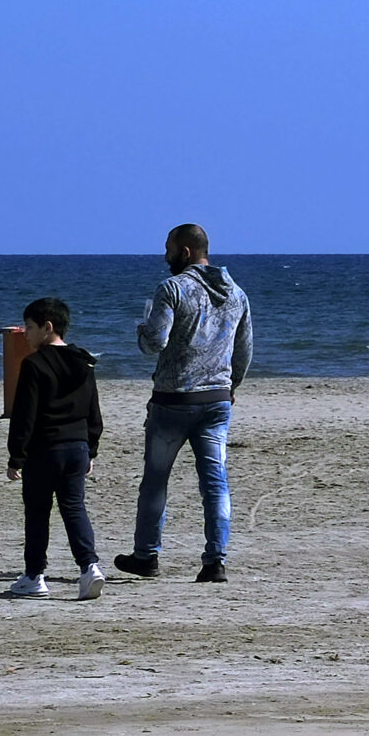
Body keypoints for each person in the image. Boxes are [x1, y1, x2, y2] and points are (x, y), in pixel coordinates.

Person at [115, 223, 253, 583]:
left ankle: (147, 555)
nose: (165, 256)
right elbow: (244, 349)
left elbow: (155, 343)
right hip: (216, 399)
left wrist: (141, 331)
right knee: (215, 482)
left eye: (169, 249)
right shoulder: (237, 293)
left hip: (173, 400)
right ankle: (215, 560)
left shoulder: (172, 289)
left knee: (156, 481)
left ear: (185, 252)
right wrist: (232, 383)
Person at [5, 297, 105, 601]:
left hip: (44, 449)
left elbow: (25, 415)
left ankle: (35, 575)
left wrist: (16, 456)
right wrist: (91, 448)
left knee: (37, 512)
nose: (25, 333)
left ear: (48, 328)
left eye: (31, 327)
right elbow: (93, 411)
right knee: (74, 508)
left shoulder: (34, 364)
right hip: (76, 447)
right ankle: (89, 567)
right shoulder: (84, 361)